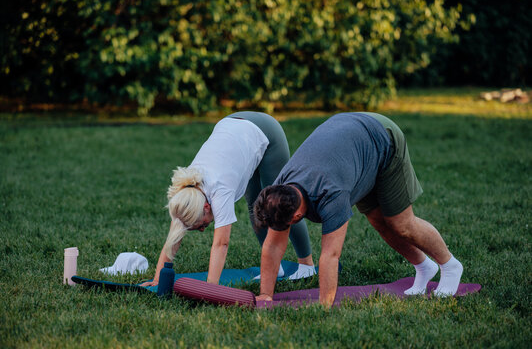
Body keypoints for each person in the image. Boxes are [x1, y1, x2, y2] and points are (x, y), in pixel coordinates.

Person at [253, 112, 464, 307]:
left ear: (297, 216)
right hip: (353, 146)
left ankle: (450, 265)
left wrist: (323, 306)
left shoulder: (330, 195)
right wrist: (265, 295)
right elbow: (273, 247)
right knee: (379, 221)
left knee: (402, 224)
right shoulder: (279, 192)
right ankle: (425, 267)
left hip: (382, 137)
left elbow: (331, 255)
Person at [141, 111, 315, 287]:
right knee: (256, 207)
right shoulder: (186, 198)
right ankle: (273, 267)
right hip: (237, 133)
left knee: (282, 203)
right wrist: (157, 279)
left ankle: (306, 264)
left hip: (265, 130)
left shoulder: (220, 189)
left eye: (202, 225)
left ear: (207, 206)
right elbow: (173, 238)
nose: (202, 230)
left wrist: (210, 288)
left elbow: (221, 244)